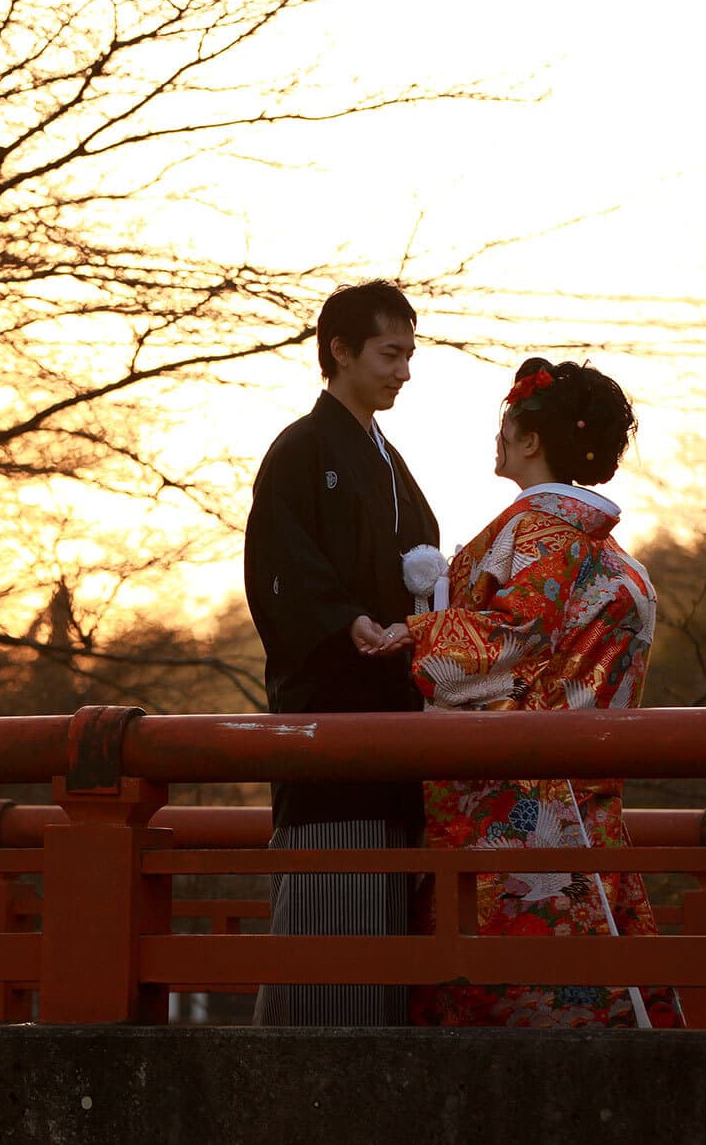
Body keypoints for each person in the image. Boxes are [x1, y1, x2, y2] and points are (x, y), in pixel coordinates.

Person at [396, 357, 685, 1028]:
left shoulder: (537, 532)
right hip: (590, 803)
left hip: (519, 804)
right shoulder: (616, 560)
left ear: (529, 439)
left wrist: (412, 633)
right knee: (606, 992)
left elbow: (511, 641)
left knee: (505, 1012)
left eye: (508, 423)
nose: (498, 436)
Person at [243, 279, 439, 1026]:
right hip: (332, 725)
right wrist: (345, 619)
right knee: (329, 952)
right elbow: (280, 570)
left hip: (396, 728)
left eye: (409, 355)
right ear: (340, 350)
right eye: (391, 353)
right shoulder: (301, 450)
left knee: (381, 954)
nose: (403, 371)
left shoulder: (384, 456)